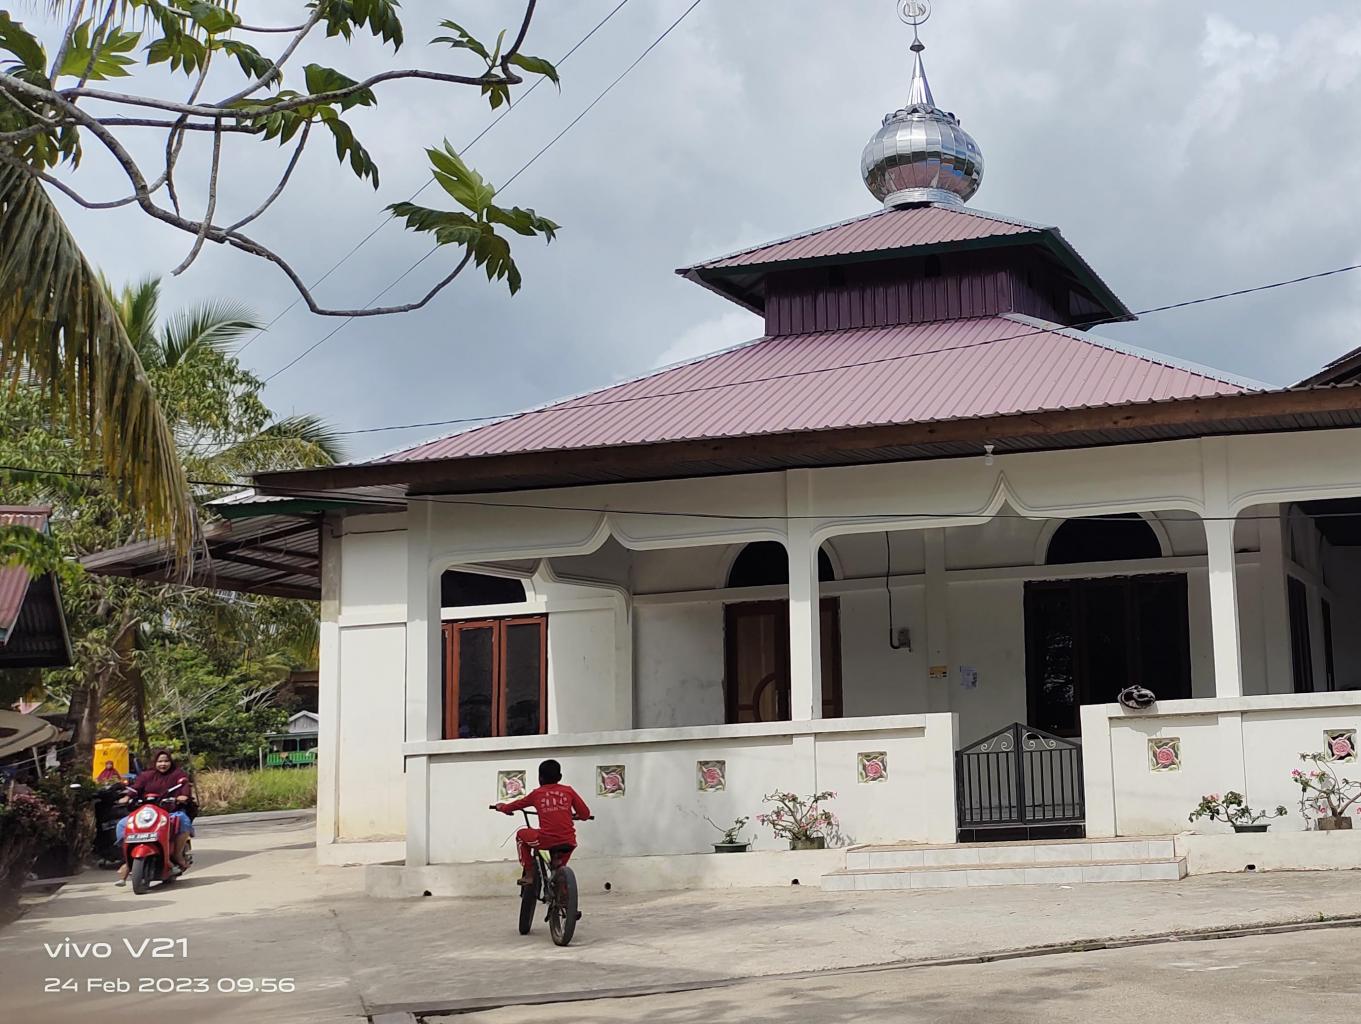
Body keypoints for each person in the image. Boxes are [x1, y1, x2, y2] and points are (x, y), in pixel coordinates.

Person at [493, 759, 591, 887]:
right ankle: (563, 891)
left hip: (546, 839)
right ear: (560, 777)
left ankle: (529, 874)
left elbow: (516, 805)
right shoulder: (568, 791)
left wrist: (502, 808)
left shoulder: (537, 794)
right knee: (559, 869)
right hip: (569, 841)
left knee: (521, 835)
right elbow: (585, 814)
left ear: (540, 778)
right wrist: (578, 816)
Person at [114, 749, 196, 886]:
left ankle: (177, 855)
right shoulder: (146, 775)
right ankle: (127, 859)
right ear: (155, 762)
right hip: (147, 813)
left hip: (170, 811)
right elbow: (135, 788)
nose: (163, 764)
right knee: (122, 824)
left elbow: (184, 785)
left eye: (166, 761)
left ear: (170, 762)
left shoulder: (178, 774)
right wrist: (127, 797)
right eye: (160, 761)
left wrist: (183, 796)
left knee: (183, 820)